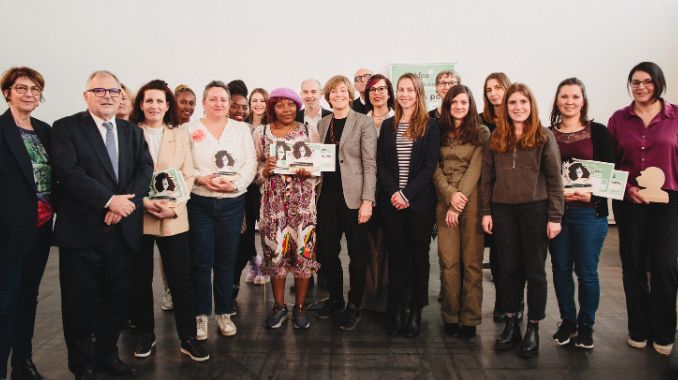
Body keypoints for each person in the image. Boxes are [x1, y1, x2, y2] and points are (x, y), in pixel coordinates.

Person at [51, 70, 153, 378]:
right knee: (79, 304)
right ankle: (82, 365)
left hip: (121, 233)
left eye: (113, 91)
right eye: (100, 91)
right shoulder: (66, 127)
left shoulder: (131, 131)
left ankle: (108, 355)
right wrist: (110, 201)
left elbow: (144, 169)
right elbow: (69, 172)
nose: (108, 96)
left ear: (121, 97)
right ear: (86, 96)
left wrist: (125, 205)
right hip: (82, 233)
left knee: (116, 299)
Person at [128, 79, 209, 362]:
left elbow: (188, 172)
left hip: (173, 214)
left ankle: (187, 338)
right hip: (138, 213)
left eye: (160, 101)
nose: (154, 105)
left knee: (180, 279)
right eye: (149, 101)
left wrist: (175, 205)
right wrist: (144, 202)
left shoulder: (179, 134)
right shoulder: (129, 133)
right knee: (139, 278)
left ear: (167, 105)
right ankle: (145, 333)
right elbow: (123, 176)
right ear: (141, 104)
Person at [480, 83, 563, 358]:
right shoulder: (495, 138)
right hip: (502, 211)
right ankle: (513, 323)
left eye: (523, 102)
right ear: (505, 108)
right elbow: (487, 181)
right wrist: (486, 212)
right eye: (512, 103)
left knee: (535, 271)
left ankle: (534, 327)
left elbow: (554, 179)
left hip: (535, 212)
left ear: (531, 105)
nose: (518, 107)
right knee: (508, 270)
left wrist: (554, 217)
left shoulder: (543, 136)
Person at [608, 62, 678, 356]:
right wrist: (627, 189)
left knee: (664, 265)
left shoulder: (676, 117)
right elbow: (609, 163)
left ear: (658, 83)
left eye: (647, 82)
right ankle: (638, 327)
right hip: (629, 200)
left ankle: (663, 331)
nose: (641, 87)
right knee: (633, 264)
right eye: (635, 82)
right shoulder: (618, 119)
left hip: (669, 201)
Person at [185, 80, 256, 341]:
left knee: (226, 260)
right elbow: (184, 163)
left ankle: (224, 312)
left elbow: (250, 162)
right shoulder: (189, 129)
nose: (219, 103)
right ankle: (201, 315)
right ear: (203, 103)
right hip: (200, 201)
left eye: (223, 100)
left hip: (232, 202)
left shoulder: (240, 129)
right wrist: (200, 179)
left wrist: (235, 183)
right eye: (213, 99)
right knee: (201, 261)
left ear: (229, 103)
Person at [547, 78, 615, 350]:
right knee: (561, 269)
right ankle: (568, 321)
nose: (569, 101)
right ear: (557, 100)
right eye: (564, 96)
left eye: (575, 96)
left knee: (586, 272)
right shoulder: (546, 134)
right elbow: (541, 174)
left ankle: (586, 325)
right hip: (557, 213)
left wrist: (593, 196)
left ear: (583, 101)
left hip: (589, 213)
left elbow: (611, 173)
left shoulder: (598, 132)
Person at [253, 88, 321, 329]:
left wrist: (309, 170)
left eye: (291, 105)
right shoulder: (260, 132)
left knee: (303, 254)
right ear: (272, 108)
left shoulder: (307, 130)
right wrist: (265, 171)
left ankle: (300, 307)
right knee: (275, 254)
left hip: (302, 206)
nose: (286, 109)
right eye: (280, 105)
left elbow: (319, 163)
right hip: (273, 205)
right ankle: (279, 306)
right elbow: (254, 169)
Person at [378, 73, 440, 338]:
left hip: (420, 204)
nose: (404, 94)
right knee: (397, 257)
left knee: (419, 258)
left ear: (418, 94)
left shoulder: (431, 125)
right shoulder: (387, 126)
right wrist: (395, 192)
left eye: (410, 90)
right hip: (392, 203)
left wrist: (407, 194)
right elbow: (381, 163)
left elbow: (429, 166)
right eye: (401, 89)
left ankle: (416, 310)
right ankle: (398, 308)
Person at [0, 67, 52, 380]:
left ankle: (23, 362)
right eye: (21, 88)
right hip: (8, 230)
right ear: (7, 92)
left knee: (28, 298)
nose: (29, 94)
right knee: (5, 302)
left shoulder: (45, 131)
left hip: (41, 228)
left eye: (34, 89)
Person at [316, 75, 377, 330]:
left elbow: (370, 163)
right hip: (327, 196)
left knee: (357, 255)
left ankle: (354, 305)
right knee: (327, 253)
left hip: (354, 198)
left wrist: (367, 200)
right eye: (333, 91)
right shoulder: (322, 124)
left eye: (342, 90)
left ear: (349, 94)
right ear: (327, 96)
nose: (338, 95)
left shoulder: (363, 122)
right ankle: (337, 299)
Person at [433, 85, 489, 340]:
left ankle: (470, 318)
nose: (458, 106)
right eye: (454, 102)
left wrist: (458, 202)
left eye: (463, 102)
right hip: (444, 202)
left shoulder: (481, 132)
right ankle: (451, 316)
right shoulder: (437, 131)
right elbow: (433, 168)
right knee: (449, 263)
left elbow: (475, 170)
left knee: (472, 263)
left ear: (470, 104)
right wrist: (448, 197)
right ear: (447, 105)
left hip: (472, 204)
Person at [479, 72, 524, 322]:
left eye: (498, 87)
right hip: (493, 196)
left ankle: (516, 302)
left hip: (520, 198)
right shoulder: (481, 121)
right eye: (489, 89)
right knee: (497, 252)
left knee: (517, 255)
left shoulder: (521, 120)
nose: (494, 93)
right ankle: (501, 301)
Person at [360, 74, 395, 312]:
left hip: (393, 189)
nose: (377, 93)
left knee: (391, 244)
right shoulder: (362, 120)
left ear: (389, 92)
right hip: (368, 190)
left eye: (382, 89)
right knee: (369, 243)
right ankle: (370, 295)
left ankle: (388, 296)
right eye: (372, 89)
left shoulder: (399, 118)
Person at [243, 87, 270, 286]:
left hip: (264, 184)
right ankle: (253, 262)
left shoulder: (272, 126)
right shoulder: (241, 126)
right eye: (255, 100)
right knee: (245, 230)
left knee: (265, 227)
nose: (258, 104)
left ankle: (267, 266)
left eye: (262, 100)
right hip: (244, 185)